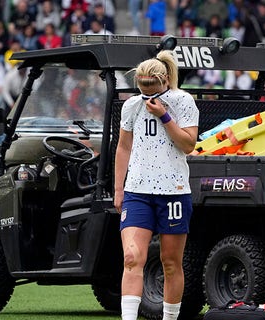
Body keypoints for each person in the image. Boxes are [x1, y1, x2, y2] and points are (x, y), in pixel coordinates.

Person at [114, 50, 199, 320]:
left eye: (152, 88)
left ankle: (170, 318)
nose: (147, 94)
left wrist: (164, 116)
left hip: (173, 191)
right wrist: (119, 189)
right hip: (137, 191)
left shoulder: (182, 101)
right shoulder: (131, 105)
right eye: (142, 88)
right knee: (131, 257)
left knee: (170, 263)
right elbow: (123, 146)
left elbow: (188, 144)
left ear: (163, 81)